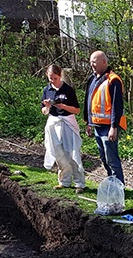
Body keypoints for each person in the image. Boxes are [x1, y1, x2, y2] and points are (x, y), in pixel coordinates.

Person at [41, 64, 85, 193]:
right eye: (50, 78)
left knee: (72, 153)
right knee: (58, 153)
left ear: (60, 76)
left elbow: (76, 110)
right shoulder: (46, 90)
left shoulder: (68, 90)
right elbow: (43, 111)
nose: (52, 81)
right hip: (53, 122)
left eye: (55, 78)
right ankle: (64, 181)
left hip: (67, 122)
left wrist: (63, 106)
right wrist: (48, 106)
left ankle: (79, 183)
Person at [84, 50, 126, 184]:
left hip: (108, 127)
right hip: (96, 126)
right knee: (104, 158)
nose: (92, 65)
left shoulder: (113, 80)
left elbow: (116, 105)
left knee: (112, 159)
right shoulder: (92, 78)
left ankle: (119, 186)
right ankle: (112, 183)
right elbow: (89, 101)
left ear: (104, 62)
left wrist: (114, 127)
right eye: (90, 62)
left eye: (94, 62)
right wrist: (88, 122)